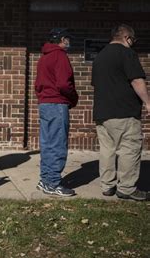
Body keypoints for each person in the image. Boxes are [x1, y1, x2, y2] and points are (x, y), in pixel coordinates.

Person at [92, 24, 149, 201]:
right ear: (127, 38)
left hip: (102, 113)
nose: (133, 44)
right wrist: (148, 102)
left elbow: (96, 85)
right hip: (124, 111)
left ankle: (107, 186)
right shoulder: (127, 53)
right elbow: (137, 80)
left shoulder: (99, 57)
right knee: (129, 149)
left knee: (107, 150)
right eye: (133, 40)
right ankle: (126, 188)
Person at [35, 28, 78, 197]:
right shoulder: (60, 56)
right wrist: (73, 98)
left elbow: (38, 84)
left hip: (45, 103)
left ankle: (45, 180)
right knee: (57, 145)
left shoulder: (44, 57)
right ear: (61, 39)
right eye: (67, 39)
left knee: (47, 144)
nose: (69, 42)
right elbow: (63, 84)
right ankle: (52, 183)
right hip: (57, 104)